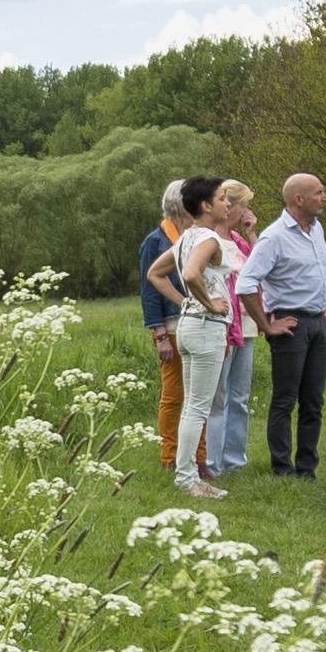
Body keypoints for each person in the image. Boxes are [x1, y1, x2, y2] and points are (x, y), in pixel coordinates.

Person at [149, 181, 243, 496]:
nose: (227, 204)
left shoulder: (187, 236)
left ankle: (189, 476)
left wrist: (185, 303)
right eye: (221, 198)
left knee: (193, 406)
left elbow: (155, 274)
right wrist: (208, 303)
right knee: (197, 408)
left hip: (190, 326)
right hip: (205, 328)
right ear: (205, 206)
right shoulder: (208, 237)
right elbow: (190, 274)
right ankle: (187, 479)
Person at [248, 171, 326, 477]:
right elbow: (246, 284)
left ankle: (307, 468)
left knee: (313, 399)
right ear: (299, 199)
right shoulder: (273, 237)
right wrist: (265, 324)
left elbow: (319, 270)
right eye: (319, 192)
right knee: (285, 398)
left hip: (317, 324)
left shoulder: (316, 229)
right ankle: (282, 468)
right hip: (290, 324)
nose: (324, 197)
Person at [200, 180, 264, 483]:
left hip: (247, 326)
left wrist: (252, 233)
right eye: (241, 205)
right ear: (229, 206)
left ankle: (234, 460)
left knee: (239, 396)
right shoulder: (209, 240)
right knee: (218, 396)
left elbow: (260, 269)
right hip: (222, 326)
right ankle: (212, 463)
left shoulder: (239, 240)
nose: (244, 210)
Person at [131, 177, 194, 475]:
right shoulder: (155, 241)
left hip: (197, 325)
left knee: (197, 394)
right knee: (173, 395)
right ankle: (169, 455)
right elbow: (149, 290)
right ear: (181, 205)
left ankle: (198, 456)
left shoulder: (196, 236)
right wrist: (159, 335)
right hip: (169, 327)